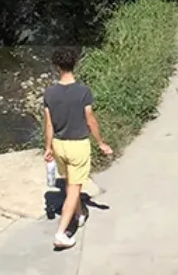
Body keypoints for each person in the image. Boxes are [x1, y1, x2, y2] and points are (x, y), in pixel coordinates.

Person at [43, 46, 112, 250]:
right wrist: (100, 143)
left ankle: (79, 214)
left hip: (59, 145)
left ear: (57, 67)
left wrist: (48, 147)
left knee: (71, 183)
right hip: (78, 145)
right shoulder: (83, 92)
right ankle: (61, 233)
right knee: (74, 189)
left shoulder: (49, 93)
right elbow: (90, 120)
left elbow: (48, 124)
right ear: (75, 64)